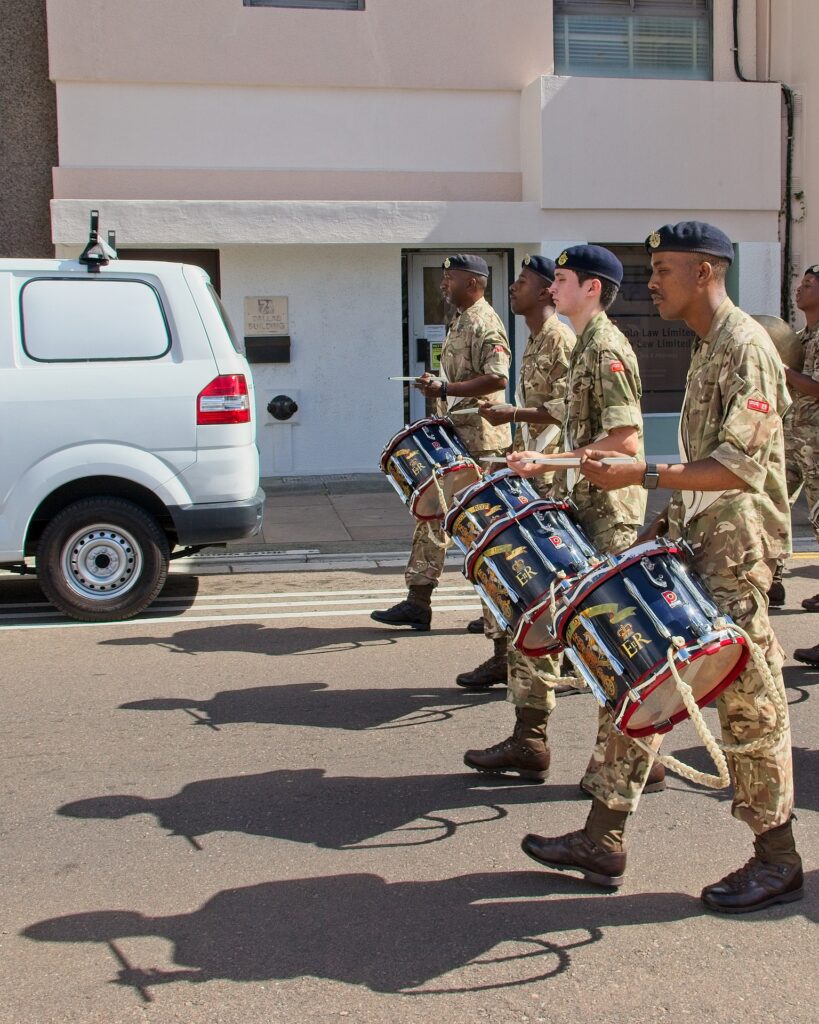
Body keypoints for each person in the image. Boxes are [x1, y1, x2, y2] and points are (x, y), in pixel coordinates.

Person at [518, 222, 803, 914]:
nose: (650, 283)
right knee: (636, 682)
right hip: (697, 548)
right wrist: (660, 527)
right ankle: (602, 834)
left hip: (733, 561)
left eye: (663, 271)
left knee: (747, 711)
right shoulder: (708, 348)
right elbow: (704, 463)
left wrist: (638, 473)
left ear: (705, 271)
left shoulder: (745, 349)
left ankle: (778, 857)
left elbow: (737, 467)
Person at [506, 245, 665, 795]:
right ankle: (537, 738)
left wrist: (546, 461)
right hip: (586, 503)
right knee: (561, 624)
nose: (553, 287)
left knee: (611, 641)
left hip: (610, 514)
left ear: (592, 287)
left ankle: (636, 763)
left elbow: (623, 442)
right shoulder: (584, 346)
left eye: (565, 279)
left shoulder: (606, 349)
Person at [371, 254, 513, 685]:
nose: (443, 285)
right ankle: (419, 599)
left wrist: (447, 387)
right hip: (457, 436)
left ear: (474, 282)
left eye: (450, 278)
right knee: (432, 515)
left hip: (481, 445)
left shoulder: (486, 322)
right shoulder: (461, 319)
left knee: (479, 532)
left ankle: (496, 621)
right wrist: (438, 383)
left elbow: (498, 378)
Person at [460, 254, 575, 777]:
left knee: (544, 600)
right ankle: (527, 721)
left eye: (524, 281)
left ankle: (537, 736)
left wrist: (512, 414)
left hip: (556, 481)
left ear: (550, 290)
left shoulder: (561, 340)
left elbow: (568, 413)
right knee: (524, 591)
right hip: (533, 474)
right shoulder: (534, 338)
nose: (514, 287)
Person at [769, 264, 819, 609]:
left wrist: (782, 370)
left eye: (809, 284)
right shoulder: (799, 339)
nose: (799, 289)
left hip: (815, 445)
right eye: (800, 283)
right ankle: (771, 580)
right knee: (771, 508)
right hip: (790, 440)